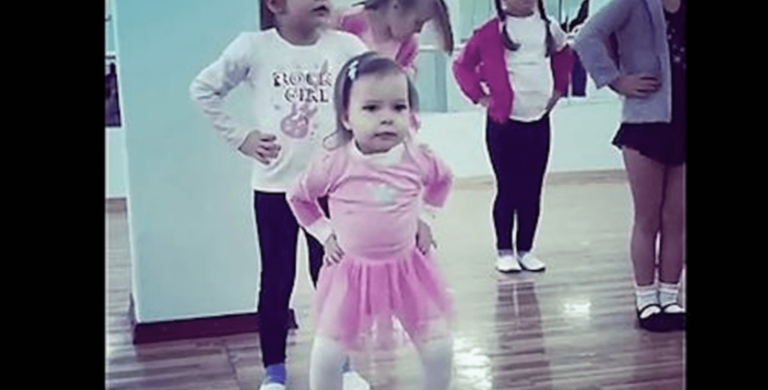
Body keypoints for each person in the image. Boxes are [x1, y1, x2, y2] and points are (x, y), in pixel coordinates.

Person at [189, 1, 374, 389]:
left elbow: (379, 87)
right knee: (276, 279)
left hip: (330, 189)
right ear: (276, 4)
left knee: (335, 279)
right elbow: (203, 89)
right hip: (276, 190)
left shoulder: (347, 46)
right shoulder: (252, 47)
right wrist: (241, 137)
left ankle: (343, 366)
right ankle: (274, 374)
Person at [286, 52, 455, 390]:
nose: (387, 118)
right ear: (346, 117)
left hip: (409, 271)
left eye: (399, 107)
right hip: (351, 274)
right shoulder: (334, 163)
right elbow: (299, 197)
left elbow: (443, 181)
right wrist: (324, 233)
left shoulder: (418, 158)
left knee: (439, 348)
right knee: (327, 356)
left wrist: (426, 217)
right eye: (371, 108)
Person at [572, 0, 685, 332]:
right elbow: (586, 37)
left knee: (677, 219)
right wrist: (615, 79)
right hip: (645, 123)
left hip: (682, 123)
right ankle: (646, 299)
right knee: (648, 217)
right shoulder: (631, 3)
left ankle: (670, 296)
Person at [452, 0, 574, 273]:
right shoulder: (489, 31)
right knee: (508, 188)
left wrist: (558, 91)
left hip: (538, 121)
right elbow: (462, 67)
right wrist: (481, 97)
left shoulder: (549, 28)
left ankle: (527, 248)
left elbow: (565, 57)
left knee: (533, 188)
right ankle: (504, 249)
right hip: (503, 123)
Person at [331, 0, 454, 78]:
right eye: (417, 22)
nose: (419, 30)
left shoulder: (408, 46)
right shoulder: (351, 23)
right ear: (396, 6)